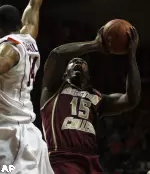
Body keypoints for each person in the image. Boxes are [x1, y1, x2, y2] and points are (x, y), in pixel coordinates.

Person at [41, 26, 141, 174]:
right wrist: (95, 45)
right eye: (72, 63)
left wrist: (131, 56)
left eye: (81, 64)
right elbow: (57, 54)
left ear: (88, 77)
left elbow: (131, 99)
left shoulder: (98, 98)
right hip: (61, 157)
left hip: (91, 159)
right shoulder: (52, 89)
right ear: (64, 74)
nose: (76, 64)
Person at [0, 0, 57, 174]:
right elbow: (35, 4)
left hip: (10, 136)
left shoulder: (8, 49)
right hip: (28, 133)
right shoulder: (28, 36)